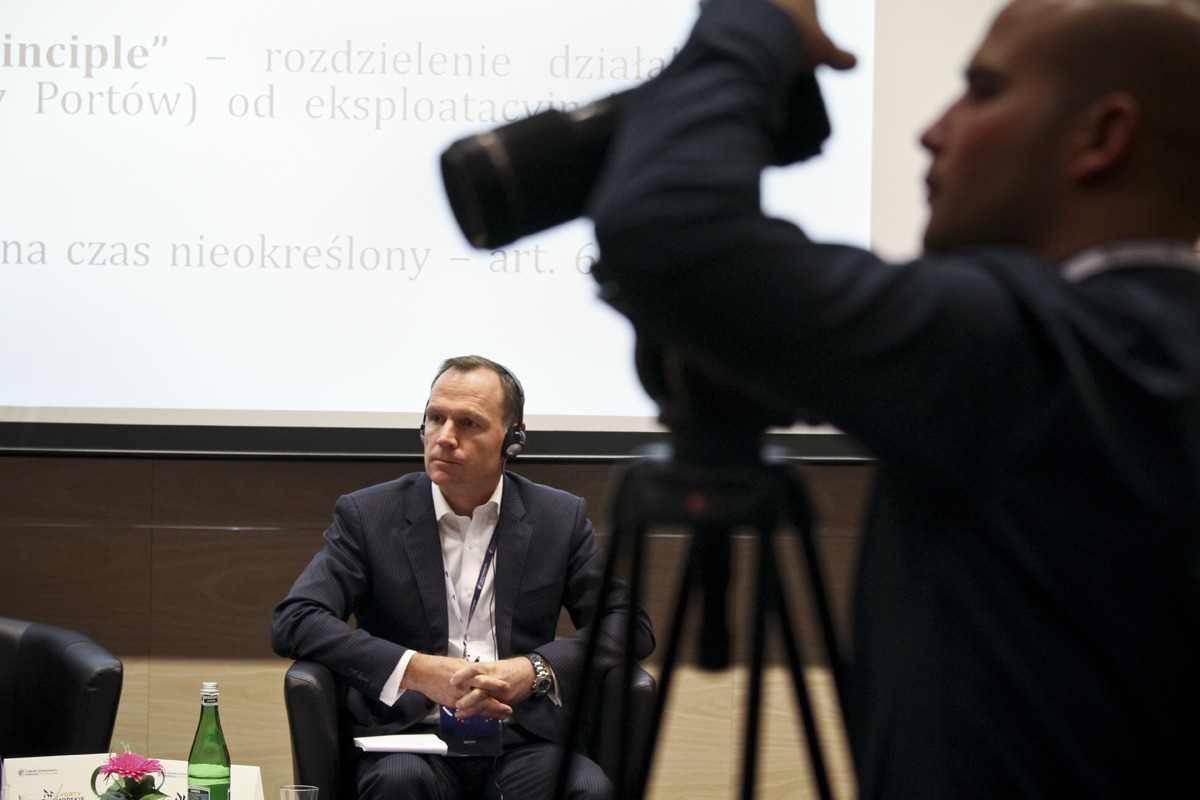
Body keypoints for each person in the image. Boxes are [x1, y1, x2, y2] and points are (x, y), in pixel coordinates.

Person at [588, 0, 1200, 797]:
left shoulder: (1026, 349)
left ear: (1101, 136)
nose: (932, 131)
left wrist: (754, 22)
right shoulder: (1148, 348)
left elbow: (671, 231)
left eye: (983, 91)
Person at [271, 355, 655, 800]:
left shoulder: (558, 517)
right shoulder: (369, 515)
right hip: (410, 741)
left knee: (586, 789)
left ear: (512, 439)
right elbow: (296, 619)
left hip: (521, 741)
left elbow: (629, 623)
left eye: (468, 423)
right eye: (435, 418)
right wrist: (417, 670)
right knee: (398, 783)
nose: (445, 437)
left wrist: (533, 670)